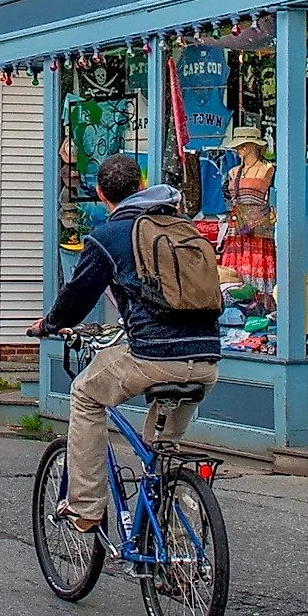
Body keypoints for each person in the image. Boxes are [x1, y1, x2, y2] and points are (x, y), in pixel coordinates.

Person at [28, 154, 222, 538]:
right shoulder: (181, 225)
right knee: (162, 452)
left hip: (154, 356)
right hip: (206, 358)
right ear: (140, 185)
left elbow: (78, 297)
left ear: (101, 193)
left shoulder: (111, 235)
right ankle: (176, 547)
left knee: (85, 393)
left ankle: (84, 507)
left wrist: (49, 324)